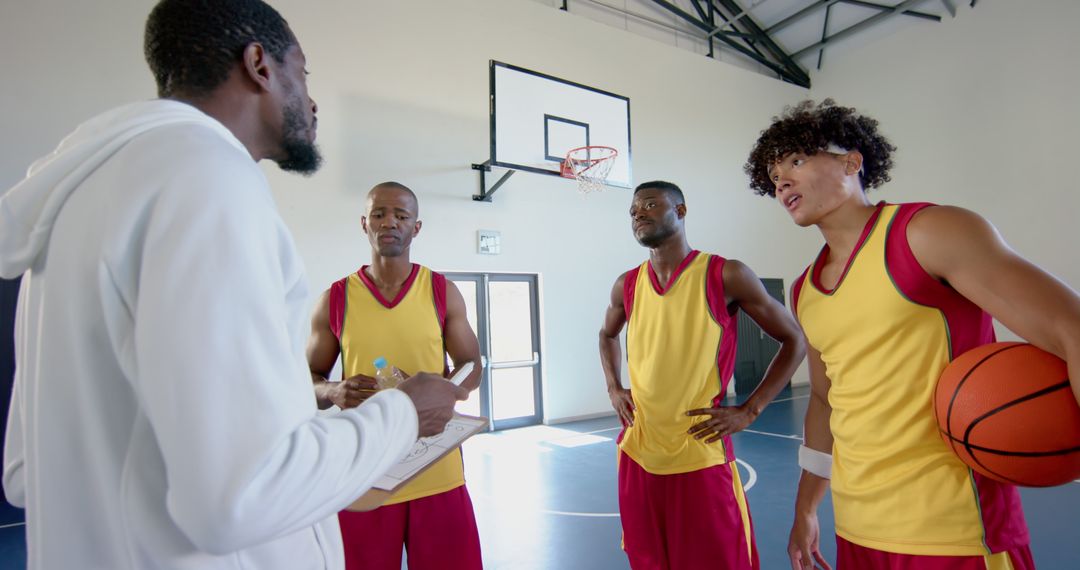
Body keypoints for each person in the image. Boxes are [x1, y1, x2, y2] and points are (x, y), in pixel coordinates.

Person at [0, 1, 467, 569]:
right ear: (259, 66)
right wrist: (403, 414)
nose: (310, 99)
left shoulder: (79, 201)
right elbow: (240, 493)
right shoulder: (207, 181)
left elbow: (27, 472)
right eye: (303, 72)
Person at [745, 99, 1080, 570]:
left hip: (953, 529)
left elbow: (1070, 327)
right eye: (773, 174)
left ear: (851, 162)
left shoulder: (928, 232)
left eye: (796, 160)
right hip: (858, 527)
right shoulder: (804, 290)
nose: (781, 180)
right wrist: (805, 508)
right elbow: (824, 401)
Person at [599, 180, 807, 570]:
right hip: (638, 454)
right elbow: (607, 334)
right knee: (648, 561)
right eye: (632, 210)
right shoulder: (626, 284)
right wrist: (613, 386)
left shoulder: (725, 274)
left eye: (649, 204)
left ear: (680, 210)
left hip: (699, 454)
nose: (638, 214)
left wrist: (751, 409)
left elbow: (794, 340)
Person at [307, 181, 484, 569]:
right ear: (364, 224)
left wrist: (448, 393)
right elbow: (307, 378)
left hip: (436, 467)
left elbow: (473, 364)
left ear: (415, 227)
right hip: (366, 472)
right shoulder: (336, 298)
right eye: (379, 214)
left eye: (401, 215)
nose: (390, 222)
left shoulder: (441, 291)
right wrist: (334, 389)